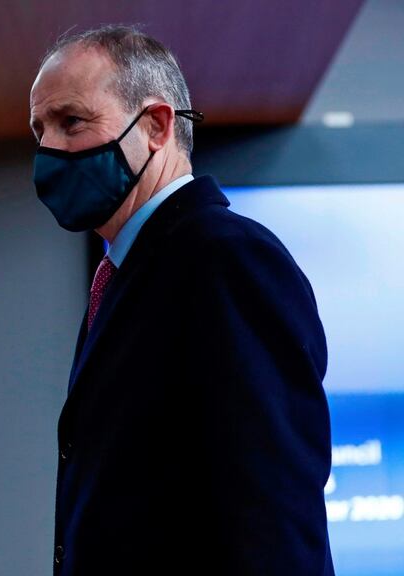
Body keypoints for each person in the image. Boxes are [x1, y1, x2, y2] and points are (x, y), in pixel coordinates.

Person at [29, 26, 334, 575]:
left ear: (156, 126)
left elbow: (273, 513)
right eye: (40, 130)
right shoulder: (127, 271)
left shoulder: (225, 258)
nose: (49, 147)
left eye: (71, 121)